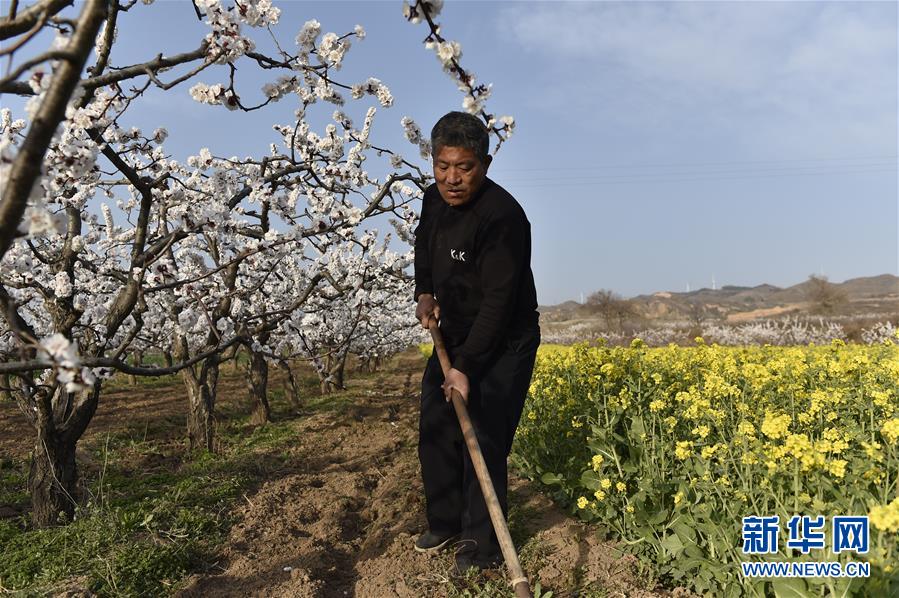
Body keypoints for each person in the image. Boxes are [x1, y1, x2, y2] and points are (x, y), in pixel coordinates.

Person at [413, 111, 540, 574]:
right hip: (454, 329)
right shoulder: (433, 201)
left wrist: (464, 368)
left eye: (464, 167)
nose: (452, 178)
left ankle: (481, 547)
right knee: (435, 426)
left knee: (482, 436)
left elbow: (499, 304)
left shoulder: (504, 219)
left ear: (484, 164)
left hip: (505, 337)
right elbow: (423, 246)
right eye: (443, 166)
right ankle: (444, 521)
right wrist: (424, 292)